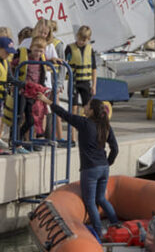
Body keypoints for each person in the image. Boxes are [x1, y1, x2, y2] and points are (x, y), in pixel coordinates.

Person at [44, 97, 120, 240]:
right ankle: (116, 224)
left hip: (90, 169)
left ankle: (99, 233)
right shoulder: (106, 126)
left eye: (87, 105)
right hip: (104, 167)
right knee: (101, 198)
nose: (84, 107)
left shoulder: (84, 123)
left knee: (90, 202)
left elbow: (64, 114)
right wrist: (107, 163)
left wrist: (48, 102)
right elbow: (115, 148)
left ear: (91, 110)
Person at [66, 26, 98, 125]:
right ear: (77, 36)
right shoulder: (69, 48)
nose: (80, 42)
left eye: (84, 40)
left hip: (85, 82)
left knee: (88, 108)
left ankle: (89, 129)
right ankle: (72, 137)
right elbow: (65, 63)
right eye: (79, 39)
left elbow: (94, 69)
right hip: (74, 82)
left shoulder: (90, 49)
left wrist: (94, 86)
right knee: (73, 108)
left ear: (88, 39)